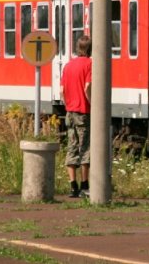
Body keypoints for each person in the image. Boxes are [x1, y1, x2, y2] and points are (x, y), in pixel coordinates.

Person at [61, 35, 92, 198]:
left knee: (72, 147)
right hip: (84, 112)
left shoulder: (68, 66)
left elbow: (61, 91)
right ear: (90, 49)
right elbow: (87, 87)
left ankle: (73, 187)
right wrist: (92, 104)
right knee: (85, 148)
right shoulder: (89, 64)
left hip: (70, 112)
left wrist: (68, 105)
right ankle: (85, 185)